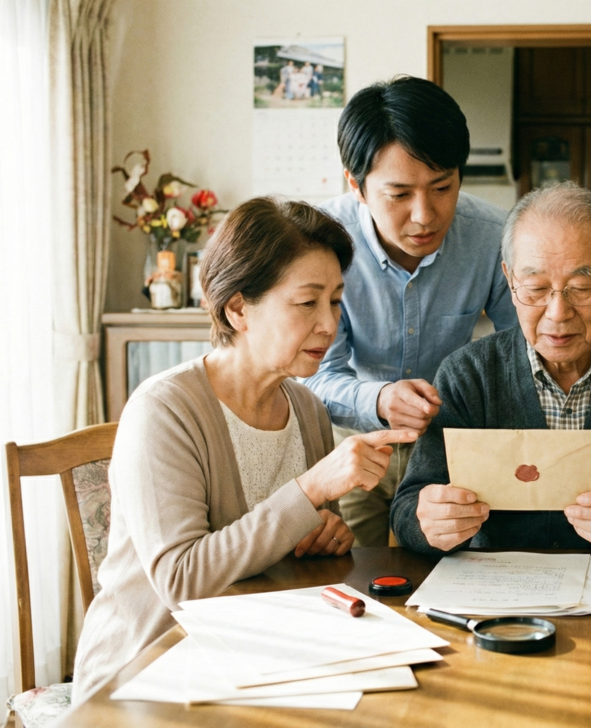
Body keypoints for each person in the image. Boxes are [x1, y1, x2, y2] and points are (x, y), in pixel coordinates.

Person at [72, 198, 417, 701]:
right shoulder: (164, 411)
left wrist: (328, 534)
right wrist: (312, 488)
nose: (329, 324)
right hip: (149, 671)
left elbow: (303, 546)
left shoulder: (307, 409)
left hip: (259, 658)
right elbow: (183, 581)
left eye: (337, 301)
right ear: (238, 309)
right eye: (307, 302)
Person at [391, 182, 591, 558]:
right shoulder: (469, 375)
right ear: (510, 279)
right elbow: (406, 512)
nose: (558, 313)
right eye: (534, 288)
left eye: (580, 287)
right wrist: (429, 523)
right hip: (499, 599)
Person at [303, 75, 518, 547]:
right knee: (358, 576)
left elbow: (523, 355)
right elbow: (312, 377)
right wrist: (379, 400)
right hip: (353, 443)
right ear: (356, 186)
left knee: (450, 573)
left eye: (442, 187)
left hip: (450, 450)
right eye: (399, 195)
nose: (425, 215)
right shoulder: (320, 243)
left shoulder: (491, 237)